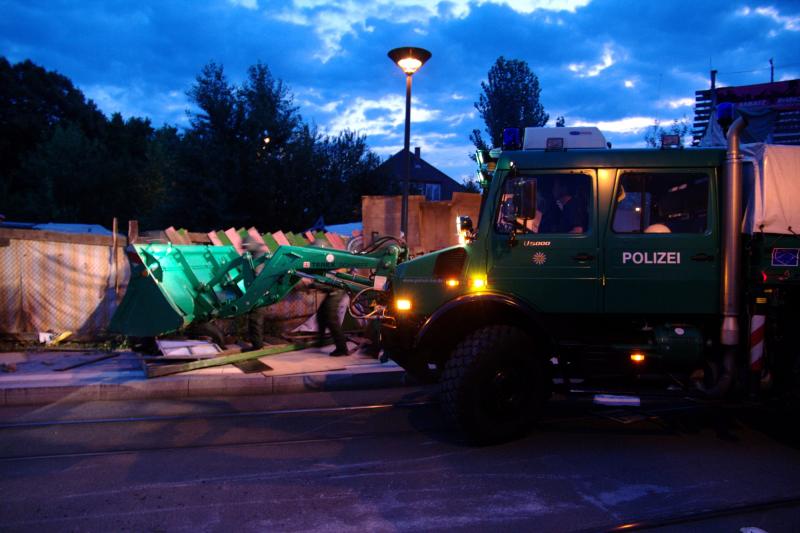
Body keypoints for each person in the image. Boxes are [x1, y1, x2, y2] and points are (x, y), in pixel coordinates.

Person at [242, 236, 268, 350]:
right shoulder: (258, 254)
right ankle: (256, 342)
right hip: (258, 292)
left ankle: (257, 346)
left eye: (246, 248)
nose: (245, 250)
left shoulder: (258, 256)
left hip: (258, 293)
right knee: (255, 319)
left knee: (255, 320)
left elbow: (258, 275)